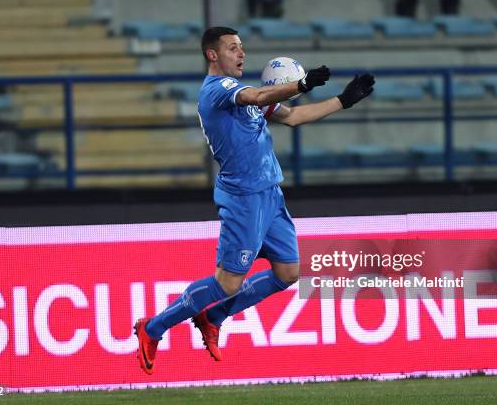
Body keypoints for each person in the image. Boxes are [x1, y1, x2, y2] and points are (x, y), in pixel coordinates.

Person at [133, 26, 375, 375]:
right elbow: (255, 98)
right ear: (212, 55)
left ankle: (214, 314)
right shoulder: (217, 91)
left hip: (270, 194)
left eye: (242, 47)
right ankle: (153, 327)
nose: (241, 54)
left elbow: (291, 116)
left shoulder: (244, 92)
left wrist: (343, 100)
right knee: (226, 282)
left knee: (288, 272)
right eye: (233, 48)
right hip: (243, 198)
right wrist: (301, 85)